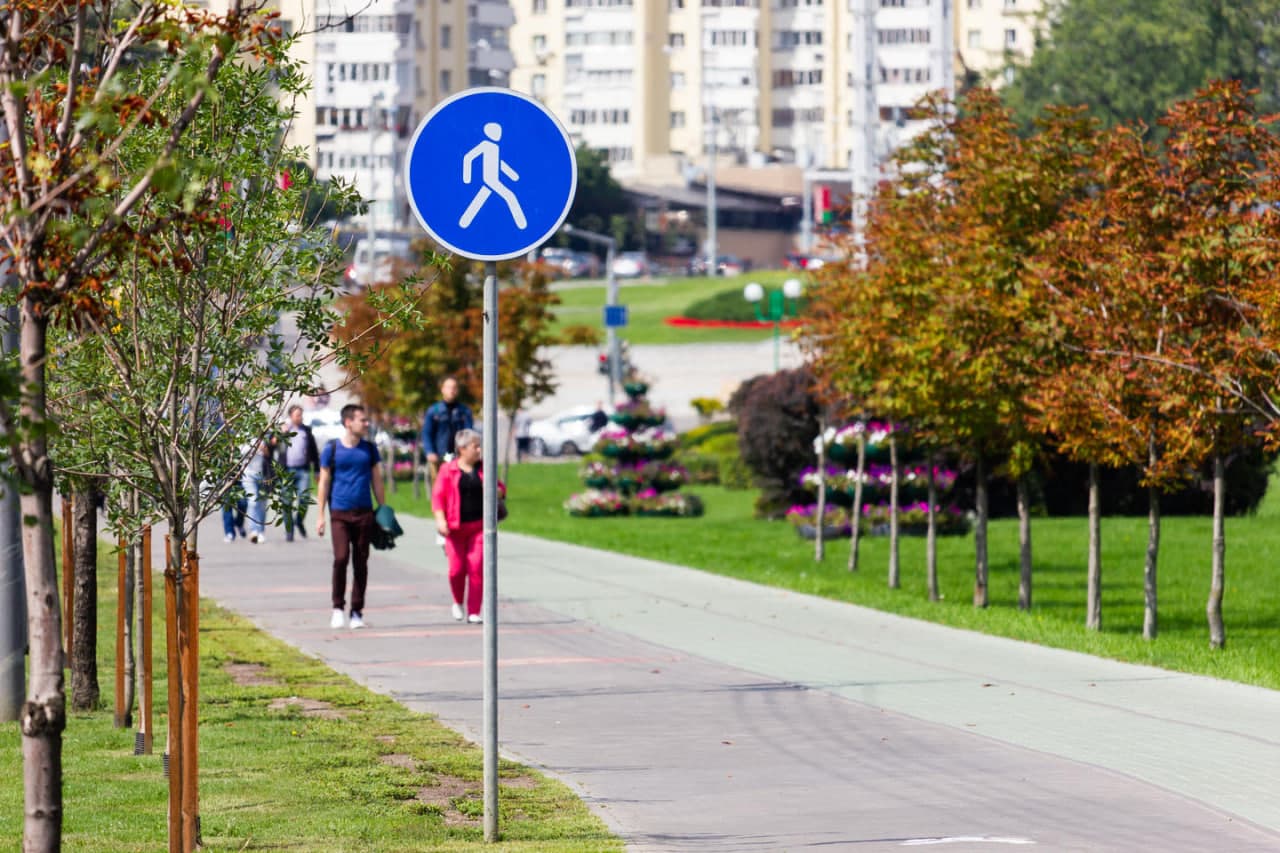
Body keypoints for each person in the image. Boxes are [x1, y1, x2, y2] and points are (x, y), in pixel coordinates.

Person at [316, 404, 386, 630]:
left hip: (364, 512)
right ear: (348, 422)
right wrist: (320, 515)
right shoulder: (332, 449)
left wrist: (383, 509)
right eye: (362, 420)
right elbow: (324, 482)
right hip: (339, 512)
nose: (366, 424)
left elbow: (377, 480)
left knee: (361, 562)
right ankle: (338, 608)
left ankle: (357, 611)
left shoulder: (369, 449)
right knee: (341, 558)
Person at [432, 428, 503, 624]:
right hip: (455, 529)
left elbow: (500, 488)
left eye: (480, 446)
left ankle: (474, 611)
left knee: (476, 567)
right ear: (462, 449)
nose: (479, 450)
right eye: (475, 446)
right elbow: (438, 497)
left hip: (479, 527)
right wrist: (440, 520)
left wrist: (496, 491)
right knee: (456, 570)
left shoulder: (484, 468)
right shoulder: (448, 470)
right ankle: (457, 601)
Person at [278, 403, 320, 542]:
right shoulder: (284, 430)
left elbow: (314, 451)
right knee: (287, 502)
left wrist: (317, 470)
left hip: (303, 470)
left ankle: (299, 521)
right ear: (290, 416)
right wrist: (282, 433)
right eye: (297, 415)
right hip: (287, 471)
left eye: (301, 415)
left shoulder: (306, 431)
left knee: (304, 498)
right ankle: (289, 531)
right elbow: (273, 444)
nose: (300, 417)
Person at [421, 376, 474, 482]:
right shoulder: (434, 411)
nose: (452, 390)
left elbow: (469, 434)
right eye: (449, 387)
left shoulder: (464, 411)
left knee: (459, 485)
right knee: (440, 486)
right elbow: (427, 433)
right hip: (439, 457)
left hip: (459, 457)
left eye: (454, 387)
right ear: (443, 389)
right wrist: (430, 451)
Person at [242, 436, 275, 544]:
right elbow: (241, 452)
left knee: (262, 504)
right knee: (253, 501)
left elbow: (271, 454)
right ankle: (253, 531)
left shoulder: (266, 435)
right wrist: (255, 447)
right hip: (248, 475)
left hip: (264, 475)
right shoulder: (243, 434)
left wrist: (266, 449)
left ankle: (260, 531)